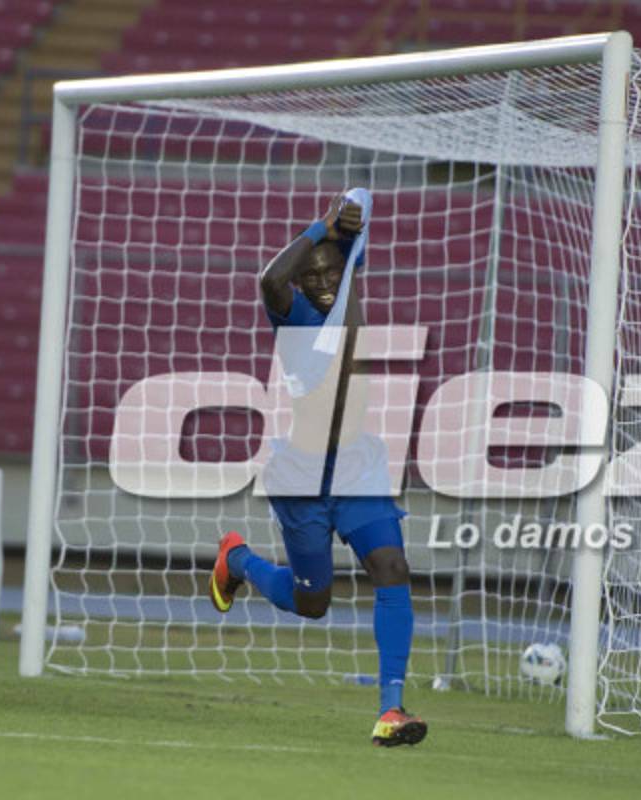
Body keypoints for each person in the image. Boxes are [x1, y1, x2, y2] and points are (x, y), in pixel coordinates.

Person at [208, 193, 426, 747]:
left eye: (334, 267)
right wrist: (322, 227)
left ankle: (391, 709)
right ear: (302, 282)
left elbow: (355, 250)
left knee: (392, 566)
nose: (324, 275)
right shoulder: (298, 318)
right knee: (313, 604)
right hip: (303, 477)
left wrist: (350, 235)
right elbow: (267, 279)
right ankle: (236, 559)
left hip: (358, 468)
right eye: (315, 270)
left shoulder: (349, 299)